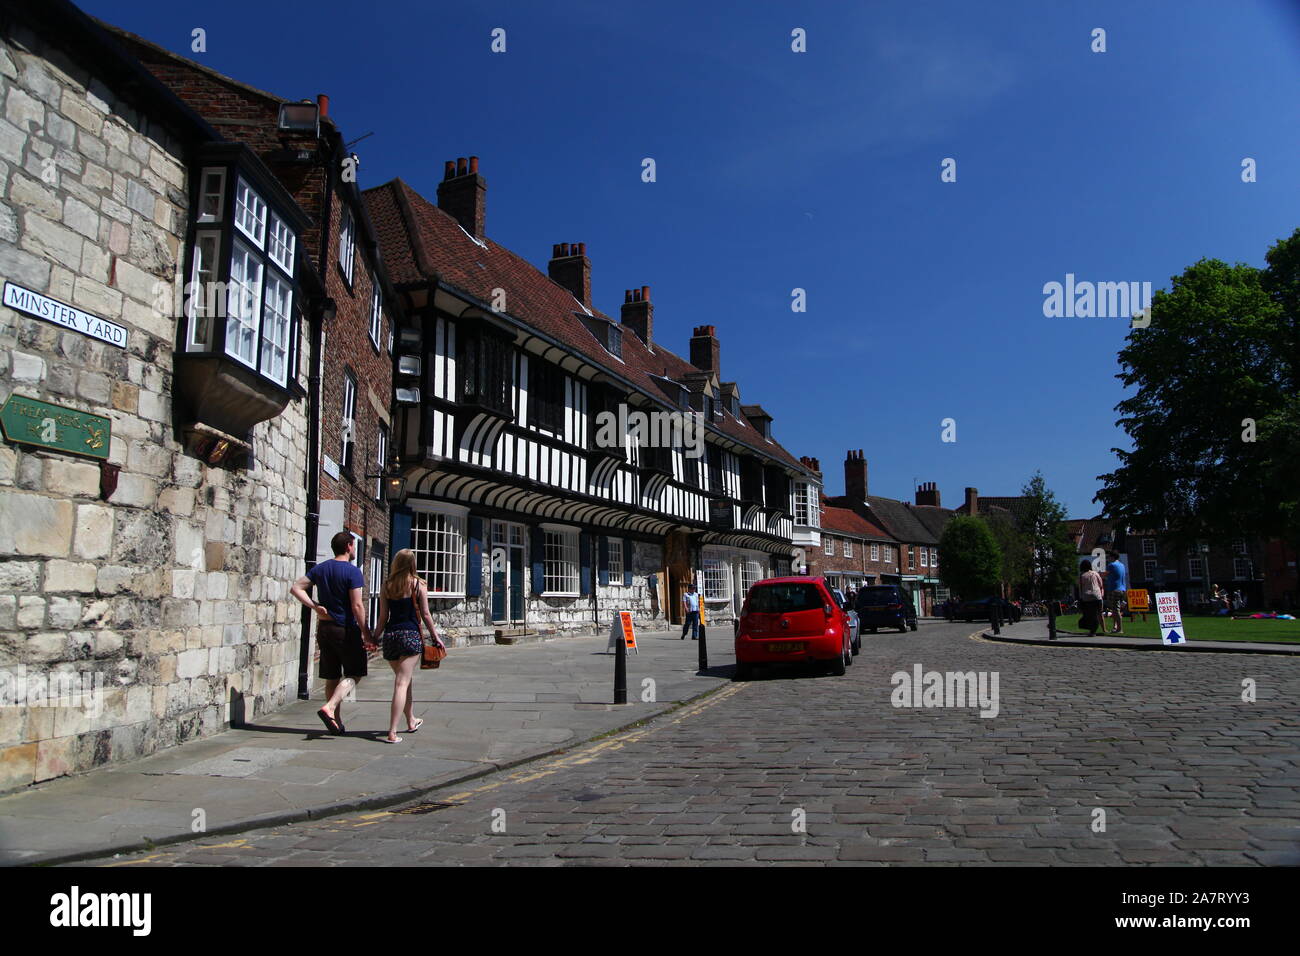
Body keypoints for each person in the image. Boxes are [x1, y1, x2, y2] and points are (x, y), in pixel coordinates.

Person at [290, 531, 373, 735]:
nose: (354, 549)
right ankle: (330, 707)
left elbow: (296, 588)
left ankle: (335, 722)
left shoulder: (321, 568)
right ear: (348, 547)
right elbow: (357, 606)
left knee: (332, 676)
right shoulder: (353, 572)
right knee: (355, 672)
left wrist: (315, 606)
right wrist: (367, 633)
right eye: (353, 545)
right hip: (345, 630)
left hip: (325, 629)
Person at [373, 549, 443, 744]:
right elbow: (426, 615)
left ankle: (411, 720)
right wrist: (436, 637)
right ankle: (392, 732)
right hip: (410, 636)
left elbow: (382, 617)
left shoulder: (386, 586)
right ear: (412, 564)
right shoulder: (417, 585)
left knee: (404, 680)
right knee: (401, 683)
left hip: (391, 637)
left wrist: (373, 637)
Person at [1103, 551, 1128, 634]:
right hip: (1122, 589)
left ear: (1112, 557)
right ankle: (1115, 627)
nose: (1108, 559)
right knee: (1115, 609)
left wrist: (1096, 574)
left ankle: (1119, 629)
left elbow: (1104, 575)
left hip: (1114, 589)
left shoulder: (1111, 565)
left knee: (1116, 610)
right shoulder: (1122, 565)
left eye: (1109, 557)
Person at [1078, 559, 1104, 637]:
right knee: (1098, 613)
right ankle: (1096, 630)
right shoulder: (1095, 574)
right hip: (1097, 596)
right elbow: (1100, 584)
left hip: (1087, 597)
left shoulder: (1082, 576)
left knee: (1090, 614)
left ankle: (1092, 631)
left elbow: (1080, 588)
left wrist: (1080, 598)